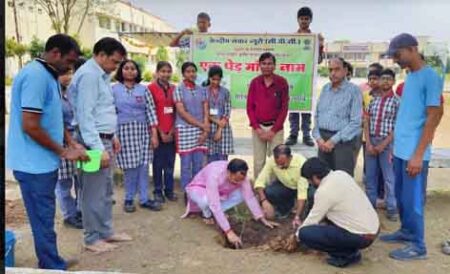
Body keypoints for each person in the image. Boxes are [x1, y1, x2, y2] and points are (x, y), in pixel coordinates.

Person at [6, 34, 87, 270]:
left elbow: (53, 119)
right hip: (33, 164)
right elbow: (30, 125)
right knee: (42, 219)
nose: (70, 67)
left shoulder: (49, 75)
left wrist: (71, 142)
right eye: (69, 61)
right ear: (54, 53)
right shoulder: (35, 76)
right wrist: (63, 152)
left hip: (42, 162)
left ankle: (51, 260)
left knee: (46, 216)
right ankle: (51, 265)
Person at [380, 33, 444, 261]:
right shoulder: (409, 78)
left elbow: (433, 117)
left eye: (397, 54)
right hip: (400, 151)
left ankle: (418, 246)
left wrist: (418, 155)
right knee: (401, 197)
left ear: (412, 49)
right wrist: (395, 148)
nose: (395, 59)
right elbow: (406, 117)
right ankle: (406, 232)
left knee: (414, 201)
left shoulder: (431, 78)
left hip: (414, 154)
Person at [70, 37, 133, 253]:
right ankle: (91, 238)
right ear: (101, 55)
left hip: (104, 138)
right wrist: (98, 148)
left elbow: (102, 110)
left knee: (106, 190)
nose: (116, 67)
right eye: (114, 62)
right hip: (92, 142)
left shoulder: (101, 75)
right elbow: (85, 116)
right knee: (92, 192)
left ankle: (105, 231)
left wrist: (112, 136)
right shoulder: (89, 75)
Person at [296, 157, 379, 268]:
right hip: (373, 228)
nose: (309, 183)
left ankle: (346, 255)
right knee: (326, 220)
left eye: (309, 180)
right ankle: (349, 247)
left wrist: (297, 236)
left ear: (315, 177)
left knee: (305, 233)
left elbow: (312, 219)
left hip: (362, 237)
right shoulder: (341, 174)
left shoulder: (323, 191)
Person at [182, 159, 279, 248]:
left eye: (241, 180)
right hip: (199, 189)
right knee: (206, 201)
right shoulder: (214, 174)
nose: (239, 182)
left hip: (220, 193)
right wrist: (228, 231)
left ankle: (217, 213)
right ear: (228, 172)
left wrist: (261, 217)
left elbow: (249, 197)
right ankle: (207, 215)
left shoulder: (242, 177)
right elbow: (214, 203)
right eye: (236, 180)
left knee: (242, 194)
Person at [112, 60, 162, 213]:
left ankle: (145, 199)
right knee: (130, 167)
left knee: (144, 166)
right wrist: (114, 136)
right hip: (123, 132)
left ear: (137, 71)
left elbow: (151, 111)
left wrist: (154, 134)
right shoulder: (113, 90)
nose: (129, 71)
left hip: (143, 132)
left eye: (133, 68)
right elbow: (110, 114)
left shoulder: (143, 90)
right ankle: (128, 198)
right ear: (121, 71)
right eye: (126, 68)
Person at [312, 58, 362, 176]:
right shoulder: (325, 88)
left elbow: (356, 122)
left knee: (342, 178)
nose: (333, 73)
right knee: (323, 177)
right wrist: (318, 137)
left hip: (342, 142)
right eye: (330, 70)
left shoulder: (353, 91)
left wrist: (333, 141)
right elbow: (317, 115)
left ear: (345, 71)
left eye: (337, 69)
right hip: (323, 141)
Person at [364, 69, 400, 221]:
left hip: (388, 144)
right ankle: (369, 208)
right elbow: (366, 122)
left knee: (389, 178)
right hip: (371, 142)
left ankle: (391, 208)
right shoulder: (374, 100)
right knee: (370, 178)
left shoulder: (397, 102)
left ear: (393, 82)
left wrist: (384, 144)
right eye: (383, 78)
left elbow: (397, 126)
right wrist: (368, 143)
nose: (385, 81)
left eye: (389, 79)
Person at [285, 6, 324, 147]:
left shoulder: (314, 39)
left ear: (310, 20)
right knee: (294, 106)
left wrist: (320, 45)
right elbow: (287, 57)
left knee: (307, 107)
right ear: (298, 20)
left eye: (306, 19)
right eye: (301, 18)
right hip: (294, 77)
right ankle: (293, 134)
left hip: (307, 79)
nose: (304, 21)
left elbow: (318, 60)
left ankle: (307, 135)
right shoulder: (292, 39)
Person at [246, 52, 289, 178]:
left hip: (276, 129)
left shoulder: (281, 82)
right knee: (259, 162)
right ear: (259, 65)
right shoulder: (255, 82)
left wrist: (273, 130)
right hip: (258, 128)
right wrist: (257, 128)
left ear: (274, 66)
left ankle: (274, 190)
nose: (266, 66)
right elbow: (249, 108)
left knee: (277, 161)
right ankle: (259, 189)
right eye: (263, 63)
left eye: (270, 63)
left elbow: (284, 108)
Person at [55, 65, 84, 230]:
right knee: (64, 182)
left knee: (80, 179)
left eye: (69, 72)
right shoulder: (54, 96)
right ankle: (69, 215)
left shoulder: (71, 93)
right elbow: (57, 123)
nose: (67, 76)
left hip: (77, 141)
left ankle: (79, 210)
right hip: (62, 143)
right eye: (63, 73)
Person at [174, 62, 209, 191]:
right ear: (183, 74)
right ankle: (187, 192)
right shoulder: (178, 89)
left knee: (199, 164)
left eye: (193, 71)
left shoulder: (202, 89)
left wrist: (205, 130)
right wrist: (202, 125)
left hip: (200, 131)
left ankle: (198, 191)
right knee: (186, 165)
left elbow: (206, 110)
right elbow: (182, 113)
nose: (191, 74)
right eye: (188, 71)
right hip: (184, 131)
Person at [254, 145, 308, 228]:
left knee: (311, 196)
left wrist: (297, 217)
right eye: (277, 164)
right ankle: (286, 208)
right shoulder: (272, 160)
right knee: (269, 192)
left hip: (304, 188)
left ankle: (303, 210)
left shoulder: (301, 164)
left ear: (290, 157)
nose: (280, 167)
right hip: (285, 185)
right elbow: (260, 181)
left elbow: (302, 193)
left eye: (283, 164)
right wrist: (263, 200)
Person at [148, 61, 178, 203]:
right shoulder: (150, 88)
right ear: (157, 72)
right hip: (157, 133)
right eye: (163, 71)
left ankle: (169, 190)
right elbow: (150, 112)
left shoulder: (175, 89)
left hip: (172, 133)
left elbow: (177, 112)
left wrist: (171, 131)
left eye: (168, 71)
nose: (166, 74)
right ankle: (158, 191)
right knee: (157, 163)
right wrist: (160, 133)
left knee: (170, 163)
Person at [205, 66, 234, 163]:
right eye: (213, 79)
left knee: (222, 160)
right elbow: (203, 111)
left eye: (218, 79)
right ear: (209, 78)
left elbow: (227, 111)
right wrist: (216, 121)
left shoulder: (225, 92)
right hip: (208, 127)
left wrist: (219, 130)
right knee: (210, 159)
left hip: (223, 128)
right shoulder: (203, 91)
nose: (216, 82)